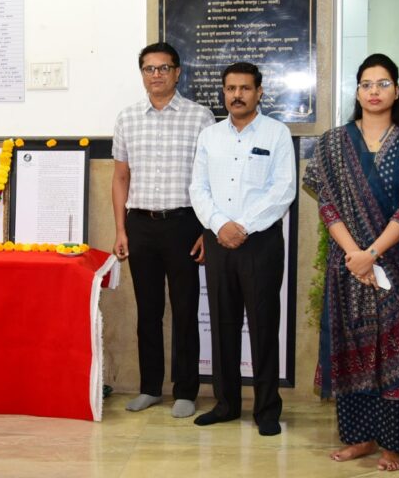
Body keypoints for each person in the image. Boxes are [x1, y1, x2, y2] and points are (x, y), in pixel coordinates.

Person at [303, 53, 399, 471]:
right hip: (349, 267)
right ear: (356, 91)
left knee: (397, 350)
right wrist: (354, 256)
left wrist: (372, 254)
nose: (373, 91)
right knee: (352, 347)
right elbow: (326, 203)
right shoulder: (332, 143)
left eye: (382, 83)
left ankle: (393, 443)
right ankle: (359, 438)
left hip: (397, 265)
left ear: (396, 90)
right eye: (366, 83)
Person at [188, 61, 296, 436]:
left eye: (245, 88)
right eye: (230, 88)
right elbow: (197, 189)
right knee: (222, 325)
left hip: (260, 242)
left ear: (259, 92)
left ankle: (266, 410)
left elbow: (283, 190)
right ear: (224, 92)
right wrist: (220, 225)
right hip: (219, 241)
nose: (237, 95)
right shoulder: (210, 136)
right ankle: (227, 403)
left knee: (264, 326)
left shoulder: (277, 133)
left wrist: (243, 226)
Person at [111, 42, 215, 418]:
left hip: (185, 223)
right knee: (148, 311)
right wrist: (121, 229)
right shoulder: (127, 118)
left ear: (177, 72)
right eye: (149, 68)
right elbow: (120, 176)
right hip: (140, 224)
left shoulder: (200, 117)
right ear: (142, 74)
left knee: (186, 309)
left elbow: (211, 179)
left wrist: (207, 229)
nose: (156, 75)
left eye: (163, 68)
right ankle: (150, 387)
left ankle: (186, 390)